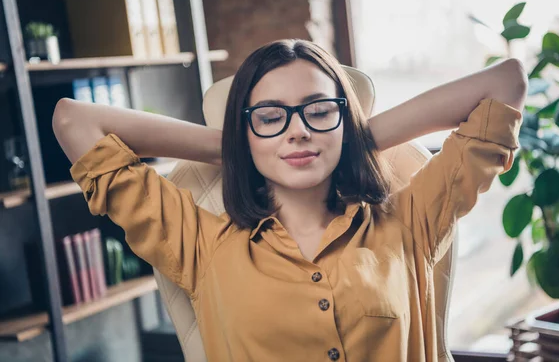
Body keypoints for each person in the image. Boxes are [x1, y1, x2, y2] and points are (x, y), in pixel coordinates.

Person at [53, 39, 526, 362]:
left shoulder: (409, 220)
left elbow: (505, 81)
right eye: (269, 116)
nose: (297, 130)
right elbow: (74, 120)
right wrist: (238, 149)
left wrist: (353, 140)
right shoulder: (198, 243)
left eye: (319, 111)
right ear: (245, 129)